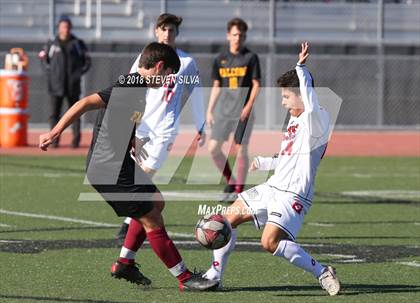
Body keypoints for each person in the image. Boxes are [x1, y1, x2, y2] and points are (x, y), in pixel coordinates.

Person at [39, 42, 218, 292]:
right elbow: (86, 103)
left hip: (119, 162)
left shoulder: (140, 88)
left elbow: (129, 115)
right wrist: (55, 131)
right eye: (167, 75)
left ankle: (125, 262)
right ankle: (185, 278)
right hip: (108, 169)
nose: (168, 81)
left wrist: (132, 139)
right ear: (158, 67)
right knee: (153, 219)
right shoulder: (129, 85)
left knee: (156, 202)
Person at [203, 42, 341, 296]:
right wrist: (266, 162)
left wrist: (301, 68)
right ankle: (214, 275)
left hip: (294, 194)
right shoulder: (295, 121)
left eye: (286, 96)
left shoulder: (317, 118)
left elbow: (309, 96)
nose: (283, 103)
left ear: (301, 94)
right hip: (272, 187)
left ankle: (323, 272)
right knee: (225, 220)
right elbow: (288, 156)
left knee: (269, 242)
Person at [115, 13, 206, 244]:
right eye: (163, 29)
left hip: (165, 130)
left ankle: (128, 224)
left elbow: (195, 93)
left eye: (172, 30)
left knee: (145, 175)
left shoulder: (186, 63)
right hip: (141, 126)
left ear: (176, 33)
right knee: (137, 176)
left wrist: (201, 124)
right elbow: (133, 88)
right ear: (156, 31)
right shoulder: (144, 57)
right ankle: (138, 221)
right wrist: (130, 120)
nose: (167, 34)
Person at [206, 18, 261, 202]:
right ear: (228, 35)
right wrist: (210, 110)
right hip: (224, 111)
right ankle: (231, 180)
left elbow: (256, 84)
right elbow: (216, 85)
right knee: (213, 148)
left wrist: (248, 106)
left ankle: (239, 192)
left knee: (241, 150)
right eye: (236, 34)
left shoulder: (250, 58)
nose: (239, 38)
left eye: (242, 35)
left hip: (243, 112)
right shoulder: (220, 59)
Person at [39, 15, 91, 148]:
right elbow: (44, 60)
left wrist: (78, 74)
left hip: (72, 86)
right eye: (63, 26)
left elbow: (87, 61)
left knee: (75, 113)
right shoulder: (52, 43)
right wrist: (51, 75)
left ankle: (75, 142)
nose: (65, 29)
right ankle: (54, 141)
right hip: (56, 86)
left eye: (67, 26)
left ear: (70, 28)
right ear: (59, 28)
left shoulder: (78, 44)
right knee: (54, 114)